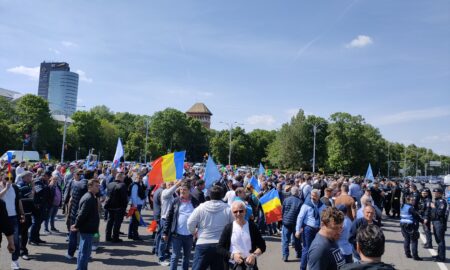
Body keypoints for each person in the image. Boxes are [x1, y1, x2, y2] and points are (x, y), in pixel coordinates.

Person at [187, 185, 234, 270]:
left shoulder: (201, 208)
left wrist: (194, 232)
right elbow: (234, 226)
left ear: (209, 195)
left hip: (203, 243)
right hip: (221, 245)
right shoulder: (228, 209)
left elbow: (190, 223)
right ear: (222, 196)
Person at [217, 200, 266, 270]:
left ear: (245, 211)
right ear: (232, 213)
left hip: (249, 265)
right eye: (235, 212)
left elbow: (262, 246)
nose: (238, 213)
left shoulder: (252, 226)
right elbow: (219, 248)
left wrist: (253, 256)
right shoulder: (228, 228)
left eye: (241, 211)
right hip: (233, 265)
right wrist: (232, 256)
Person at [163, 182, 199, 270]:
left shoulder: (194, 201)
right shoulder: (176, 201)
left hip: (189, 235)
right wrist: (165, 232)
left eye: (184, 190)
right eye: (181, 189)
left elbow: (199, 217)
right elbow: (169, 217)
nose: (182, 191)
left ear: (189, 191)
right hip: (177, 235)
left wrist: (198, 230)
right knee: (175, 256)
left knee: (186, 257)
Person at [71, 179, 101, 270]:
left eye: (98, 185)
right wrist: (76, 225)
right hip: (87, 229)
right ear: (90, 186)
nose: (98, 187)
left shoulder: (92, 197)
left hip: (88, 228)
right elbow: (82, 214)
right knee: (85, 252)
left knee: (83, 251)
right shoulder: (89, 198)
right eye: (96, 186)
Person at [295, 189, 326, 270]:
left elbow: (325, 217)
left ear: (319, 197)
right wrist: (297, 230)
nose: (313, 197)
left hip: (318, 230)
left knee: (317, 249)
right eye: (312, 196)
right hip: (308, 229)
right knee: (306, 249)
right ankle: (302, 268)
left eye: (315, 196)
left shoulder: (322, 206)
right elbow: (300, 217)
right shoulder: (306, 205)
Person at [0, 172, 25, 270]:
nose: (8, 180)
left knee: (15, 240)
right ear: (2, 177)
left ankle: (15, 261)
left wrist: (22, 213)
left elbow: (19, 201)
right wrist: (6, 188)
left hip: (13, 216)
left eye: (10, 178)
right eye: (6, 178)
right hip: (1, 217)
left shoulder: (15, 187)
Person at [66, 169, 89, 259]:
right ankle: (82, 254)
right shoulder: (88, 188)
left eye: (81, 174)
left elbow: (71, 201)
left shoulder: (75, 185)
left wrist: (68, 213)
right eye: (79, 174)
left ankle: (70, 254)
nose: (79, 175)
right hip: (82, 214)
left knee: (74, 235)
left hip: (75, 213)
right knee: (82, 235)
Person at [104, 170, 128, 243]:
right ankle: (115, 237)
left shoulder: (110, 184)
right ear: (120, 178)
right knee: (117, 223)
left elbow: (107, 195)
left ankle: (107, 237)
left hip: (110, 206)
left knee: (110, 222)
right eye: (123, 178)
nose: (123, 179)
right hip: (119, 207)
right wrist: (125, 208)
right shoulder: (123, 185)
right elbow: (124, 198)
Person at [281, 186, 302, 262]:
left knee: (285, 240)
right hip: (295, 223)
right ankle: (298, 253)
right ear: (298, 193)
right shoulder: (300, 201)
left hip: (286, 222)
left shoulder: (286, 200)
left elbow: (282, 211)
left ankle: (285, 256)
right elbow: (301, 215)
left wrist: (283, 219)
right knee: (297, 239)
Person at [399, 195, 423, 260]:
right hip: (410, 225)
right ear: (408, 200)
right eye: (412, 200)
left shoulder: (403, 206)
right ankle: (415, 256)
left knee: (406, 239)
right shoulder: (411, 208)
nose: (414, 201)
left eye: (414, 200)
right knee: (414, 240)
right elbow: (416, 216)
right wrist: (423, 221)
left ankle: (407, 254)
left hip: (403, 224)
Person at [429, 187, 447, 262]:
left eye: (436, 193)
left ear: (440, 194)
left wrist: (434, 207)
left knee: (440, 240)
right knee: (437, 240)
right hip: (435, 222)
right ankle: (439, 254)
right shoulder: (436, 201)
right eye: (434, 193)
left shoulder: (442, 202)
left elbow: (440, 212)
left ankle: (442, 257)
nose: (434, 194)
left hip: (439, 222)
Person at [128, 173, 146, 241]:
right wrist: (135, 206)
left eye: (141, 178)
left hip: (137, 205)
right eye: (139, 178)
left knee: (133, 220)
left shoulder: (139, 184)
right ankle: (135, 235)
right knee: (135, 221)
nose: (140, 179)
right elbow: (134, 196)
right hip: (136, 205)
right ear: (135, 178)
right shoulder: (135, 185)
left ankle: (130, 234)